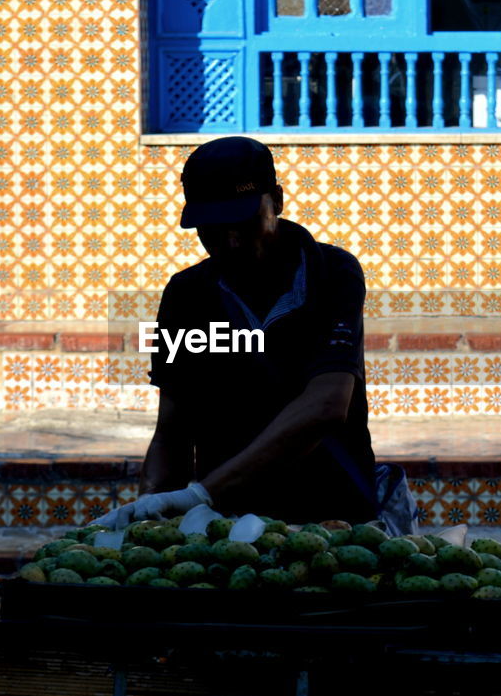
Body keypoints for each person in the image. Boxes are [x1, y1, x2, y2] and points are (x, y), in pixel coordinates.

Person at [92, 136, 401, 529]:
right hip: (228, 528)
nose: (231, 242)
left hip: (332, 520)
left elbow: (327, 405)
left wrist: (198, 495)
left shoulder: (332, 273)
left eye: (243, 222)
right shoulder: (186, 295)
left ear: (277, 200)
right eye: (212, 229)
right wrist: (147, 513)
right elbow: (173, 427)